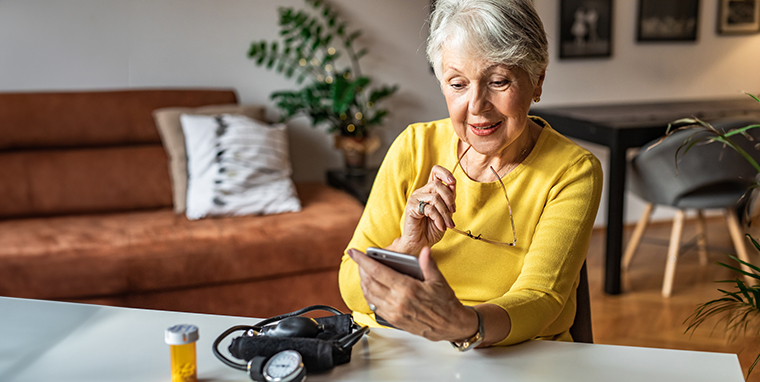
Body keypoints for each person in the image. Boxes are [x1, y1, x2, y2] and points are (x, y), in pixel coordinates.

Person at [338, 0, 603, 349]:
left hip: (514, 357)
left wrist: (463, 324)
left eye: (498, 81)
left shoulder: (571, 171)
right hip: (397, 349)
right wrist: (406, 249)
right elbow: (351, 285)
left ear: (537, 81)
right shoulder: (414, 146)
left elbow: (542, 300)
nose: (477, 105)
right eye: (458, 84)